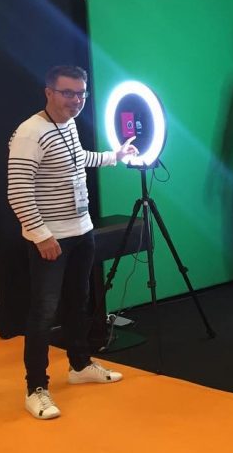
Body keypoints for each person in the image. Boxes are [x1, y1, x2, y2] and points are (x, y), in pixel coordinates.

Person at [7, 65, 138, 419]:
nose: (76, 100)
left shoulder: (69, 124)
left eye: (81, 93)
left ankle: (79, 365)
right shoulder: (30, 132)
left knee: (78, 301)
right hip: (52, 240)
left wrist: (115, 156)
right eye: (68, 93)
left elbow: (77, 161)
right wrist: (42, 236)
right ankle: (36, 388)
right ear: (49, 92)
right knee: (43, 313)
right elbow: (18, 191)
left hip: (82, 232)